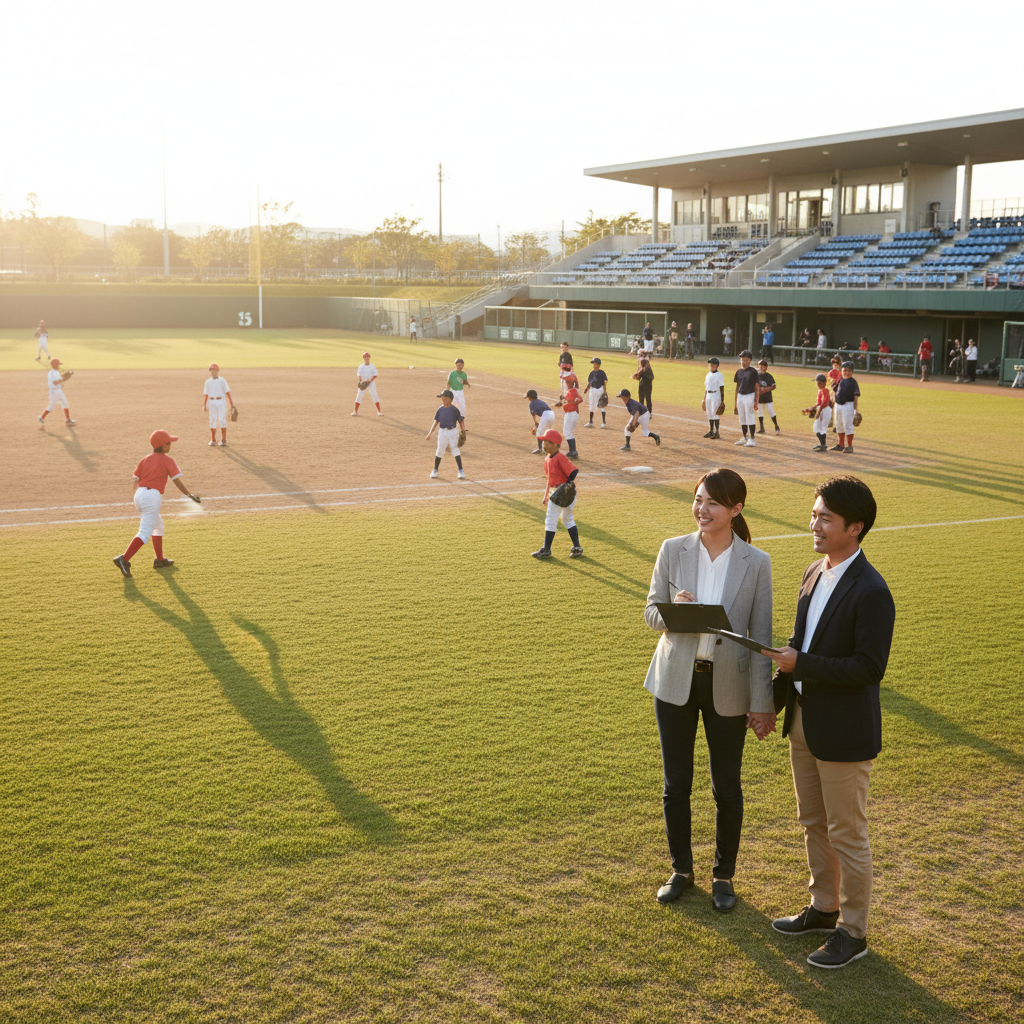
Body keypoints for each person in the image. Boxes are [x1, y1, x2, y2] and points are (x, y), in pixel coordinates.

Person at [763, 475, 895, 969]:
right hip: (804, 721)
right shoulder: (813, 572)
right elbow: (798, 645)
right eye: (814, 514)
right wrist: (771, 702)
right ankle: (823, 908)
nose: (814, 524)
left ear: (855, 527)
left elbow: (869, 667)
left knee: (847, 833)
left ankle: (853, 932)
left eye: (826, 518)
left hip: (843, 731)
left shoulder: (872, 590)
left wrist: (803, 665)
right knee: (813, 822)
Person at [643, 467, 774, 912]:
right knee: (676, 784)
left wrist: (762, 702)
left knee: (727, 788)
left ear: (736, 509)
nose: (702, 509)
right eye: (698, 499)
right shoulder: (672, 549)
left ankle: (723, 875)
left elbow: (761, 636)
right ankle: (681, 869)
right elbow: (650, 613)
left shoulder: (756, 562)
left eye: (712, 502)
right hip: (675, 681)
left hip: (729, 685)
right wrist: (673, 610)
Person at [112, 429, 200, 577]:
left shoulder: (145, 459)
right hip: (151, 497)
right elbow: (177, 480)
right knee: (145, 533)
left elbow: (136, 480)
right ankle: (124, 559)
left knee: (158, 526)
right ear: (163, 446)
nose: (170, 445)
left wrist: (137, 499)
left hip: (140, 494)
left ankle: (159, 560)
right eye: (168, 443)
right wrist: (189, 495)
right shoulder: (168, 461)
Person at [532, 429, 582, 560]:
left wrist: (565, 485)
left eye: (547, 443)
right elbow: (550, 480)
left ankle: (546, 549)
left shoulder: (560, 457)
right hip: (561, 492)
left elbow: (573, 471)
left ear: (556, 445)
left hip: (561, 492)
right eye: (544, 442)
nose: (544, 445)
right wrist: (546, 496)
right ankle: (577, 547)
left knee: (551, 520)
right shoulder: (547, 459)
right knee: (568, 519)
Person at [426, 389, 466, 480]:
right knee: (440, 450)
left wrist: (463, 430)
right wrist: (430, 433)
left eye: (445, 398)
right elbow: (436, 421)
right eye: (442, 398)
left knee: (455, 450)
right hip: (442, 432)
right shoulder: (440, 409)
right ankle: (435, 470)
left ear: (450, 399)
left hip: (453, 432)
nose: (443, 400)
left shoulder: (454, 410)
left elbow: (460, 420)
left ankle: (461, 471)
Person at [38, 358, 76, 429]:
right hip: (54, 392)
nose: (59, 366)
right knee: (51, 406)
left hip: (59, 391)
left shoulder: (56, 372)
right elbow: (55, 382)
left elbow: (60, 380)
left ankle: (68, 420)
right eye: (58, 364)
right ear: (54, 365)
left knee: (65, 404)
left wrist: (67, 377)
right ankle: (41, 417)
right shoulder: (52, 373)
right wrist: (63, 378)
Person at [732, 350, 760, 447]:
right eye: (742, 360)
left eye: (745, 360)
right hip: (740, 396)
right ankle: (744, 437)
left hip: (749, 395)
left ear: (750, 360)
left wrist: (756, 401)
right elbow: (737, 387)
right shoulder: (739, 372)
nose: (743, 362)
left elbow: (757, 387)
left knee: (750, 417)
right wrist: (735, 404)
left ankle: (752, 439)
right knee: (742, 418)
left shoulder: (753, 372)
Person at [203, 363, 234, 447]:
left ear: (217, 370)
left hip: (221, 401)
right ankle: (213, 440)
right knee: (212, 420)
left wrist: (231, 402)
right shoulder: (208, 382)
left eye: (214, 369)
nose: (212, 371)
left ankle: (223, 440)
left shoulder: (222, 380)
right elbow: (206, 394)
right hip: (211, 401)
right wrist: (205, 405)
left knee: (222, 419)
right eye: (211, 369)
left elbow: (227, 392)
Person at [832, 361, 861, 454]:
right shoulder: (840, 380)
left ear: (852, 371)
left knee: (848, 425)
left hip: (848, 405)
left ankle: (849, 446)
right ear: (841, 371)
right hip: (838, 405)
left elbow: (856, 397)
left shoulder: (853, 382)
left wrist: (855, 410)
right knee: (839, 424)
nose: (846, 373)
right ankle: (841, 445)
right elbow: (835, 392)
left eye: (848, 371)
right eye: (844, 370)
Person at [805, 373, 834, 451]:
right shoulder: (819, 391)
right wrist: (810, 408)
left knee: (823, 427)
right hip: (821, 409)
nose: (818, 385)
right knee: (816, 427)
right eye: (817, 383)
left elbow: (824, 402)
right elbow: (818, 403)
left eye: (820, 383)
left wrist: (818, 412)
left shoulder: (826, 391)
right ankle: (823, 444)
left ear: (825, 383)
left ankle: (823, 445)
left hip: (826, 409)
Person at [560, 374, 582, 460]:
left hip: (571, 414)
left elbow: (579, 399)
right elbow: (578, 399)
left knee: (567, 432)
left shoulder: (572, 391)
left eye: (566, 382)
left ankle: (573, 452)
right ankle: (573, 451)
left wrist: (567, 400)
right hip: (573, 414)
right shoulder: (573, 391)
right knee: (568, 433)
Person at [702, 357, 725, 439]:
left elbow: (722, 388)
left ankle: (717, 432)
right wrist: (704, 399)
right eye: (710, 364)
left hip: (716, 395)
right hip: (708, 395)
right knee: (710, 413)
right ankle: (711, 431)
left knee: (715, 413)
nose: (711, 365)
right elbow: (706, 388)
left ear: (717, 365)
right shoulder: (708, 375)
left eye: (713, 364)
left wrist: (722, 401)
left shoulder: (719, 375)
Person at [352, 351, 382, 416]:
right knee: (359, 396)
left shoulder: (372, 366)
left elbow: (375, 374)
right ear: (363, 358)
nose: (366, 358)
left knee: (374, 395)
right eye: (365, 357)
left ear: (369, 357)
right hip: (363, 382)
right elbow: (359, 374)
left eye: (367, 356)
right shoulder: (361, 366)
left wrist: (370, 380)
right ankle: (355, 411)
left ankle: (379, 411)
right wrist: (361, 380)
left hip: (371, 383)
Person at [755, 359, 780, 434]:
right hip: (760, 398)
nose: (762, 368)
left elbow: (774, 386)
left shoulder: (769, 376)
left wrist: (765, 389)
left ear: (766, 367)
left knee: (771, 411)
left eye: (763, 366)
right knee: (760, 412)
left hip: (768, 398)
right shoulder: (757, 375)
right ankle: (762, 428)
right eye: (760, 366)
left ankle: (776, 426)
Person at [526, 389, 554, 454]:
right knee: (547, 431)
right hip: (552, 414)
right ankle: (548, 448)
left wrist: (536, 424)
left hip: (546, 416)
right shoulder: (540, 401)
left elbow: (533, 414)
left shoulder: (531, 404)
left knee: (539, 433)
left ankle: (540, 449)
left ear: (529, 398)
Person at [583, 357, 608, 429]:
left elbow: (605, 382)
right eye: (593, 364)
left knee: (601, 405)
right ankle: (591, 422)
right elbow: (590, 383)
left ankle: (604, 423)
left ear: (599, 365)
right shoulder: (591, 373)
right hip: (592, 390)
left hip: (600, 390)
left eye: (595, 364)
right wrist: (587, 389)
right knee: (591, 406)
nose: (594, 365)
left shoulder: (602, 373)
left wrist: (605, 391)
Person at [447, 358, 470, 426]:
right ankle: (450, 422)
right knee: (452, 406)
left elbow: (463, 381)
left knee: (462, 407)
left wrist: (467, 383)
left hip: (460, 392)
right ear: (456, 365)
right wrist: (447, 393)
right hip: (453, 391)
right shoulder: (452, 373)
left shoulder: (464, 374)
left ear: (463, 365)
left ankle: (462, 423)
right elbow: (448, 384)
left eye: (461, 365)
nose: (459, 367)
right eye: (458, 365)